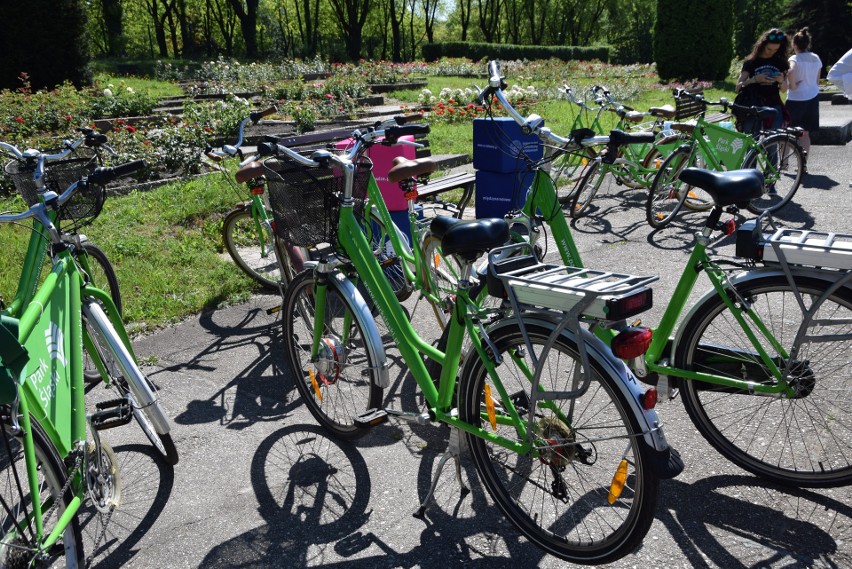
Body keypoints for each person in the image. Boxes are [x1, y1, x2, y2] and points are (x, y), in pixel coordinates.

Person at [736, 28, 790, 136]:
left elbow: (784, 90)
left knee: (773, 143)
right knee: (750, 141)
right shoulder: (751, 62)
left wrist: (781, 80)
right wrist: (755, 79)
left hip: (774, 105)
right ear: (762, 45)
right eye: (769, 49)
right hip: (753, 106)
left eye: (775, 50)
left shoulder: (781, 62)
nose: (771, 52)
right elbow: (738, 87)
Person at [786, 27, 822, 160]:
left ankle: (784, 164)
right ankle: (804, 163)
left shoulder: (794, 58)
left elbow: (790, 72)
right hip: (812, 97)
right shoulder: (816, 58)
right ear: (808, 44)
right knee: (804, 133)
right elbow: (817, 81)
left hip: (796, 99)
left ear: (794, 44)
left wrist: (793, 86)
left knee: (787, 133)